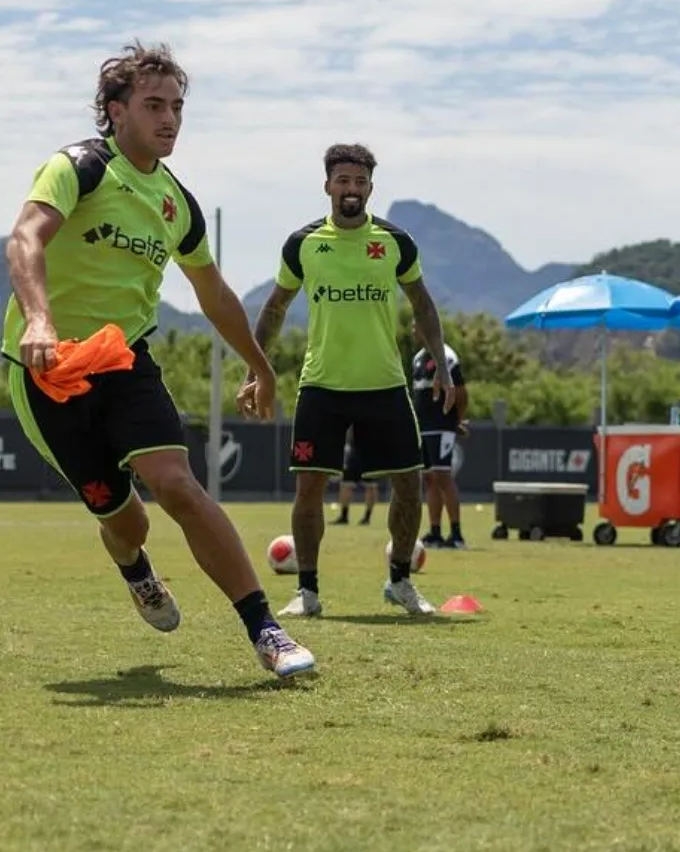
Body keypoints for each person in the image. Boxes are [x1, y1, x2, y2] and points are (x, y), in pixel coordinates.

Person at [3, 41, 313, 677]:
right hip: (48, 374)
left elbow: (214, 293)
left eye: (176, 106)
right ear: (116, 111)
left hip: (123, 363)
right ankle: (136, 570)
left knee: (178, 485)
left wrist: (260, 364)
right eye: (153, 105)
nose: (169, 119)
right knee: (128, 522)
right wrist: (39, 319)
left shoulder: (177, 203)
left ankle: (266, 630)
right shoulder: (79, 167)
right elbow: (25, 237)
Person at [250, 144, 455, 618]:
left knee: (409, 484)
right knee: (309, 489)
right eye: (343, 181)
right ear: (327, 186)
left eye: (360, 182)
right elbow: (275, 307)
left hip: (384, 385)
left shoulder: (395, 242)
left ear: (370, 189)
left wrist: (442, 369)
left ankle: (400, 582)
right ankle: (307, 592)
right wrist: (255, 369)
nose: (351, 190)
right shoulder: (302, 244)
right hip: (321, 386)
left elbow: (423, 305)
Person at [409, 320, 469, 549]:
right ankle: (435, 532)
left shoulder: (447, 356)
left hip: (441, 426)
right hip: (422, 427)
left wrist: (458, 420)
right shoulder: (417, 358)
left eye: (418, 326)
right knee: (429, 479)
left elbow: (461, 393)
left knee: (444, 476)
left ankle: (456, 534)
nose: (414, 330)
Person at [332, 428, 380, 526]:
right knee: (346, 483)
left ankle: (366, 517)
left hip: (371, 448)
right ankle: (345, 516)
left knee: (371, 485)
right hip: (358, 448)